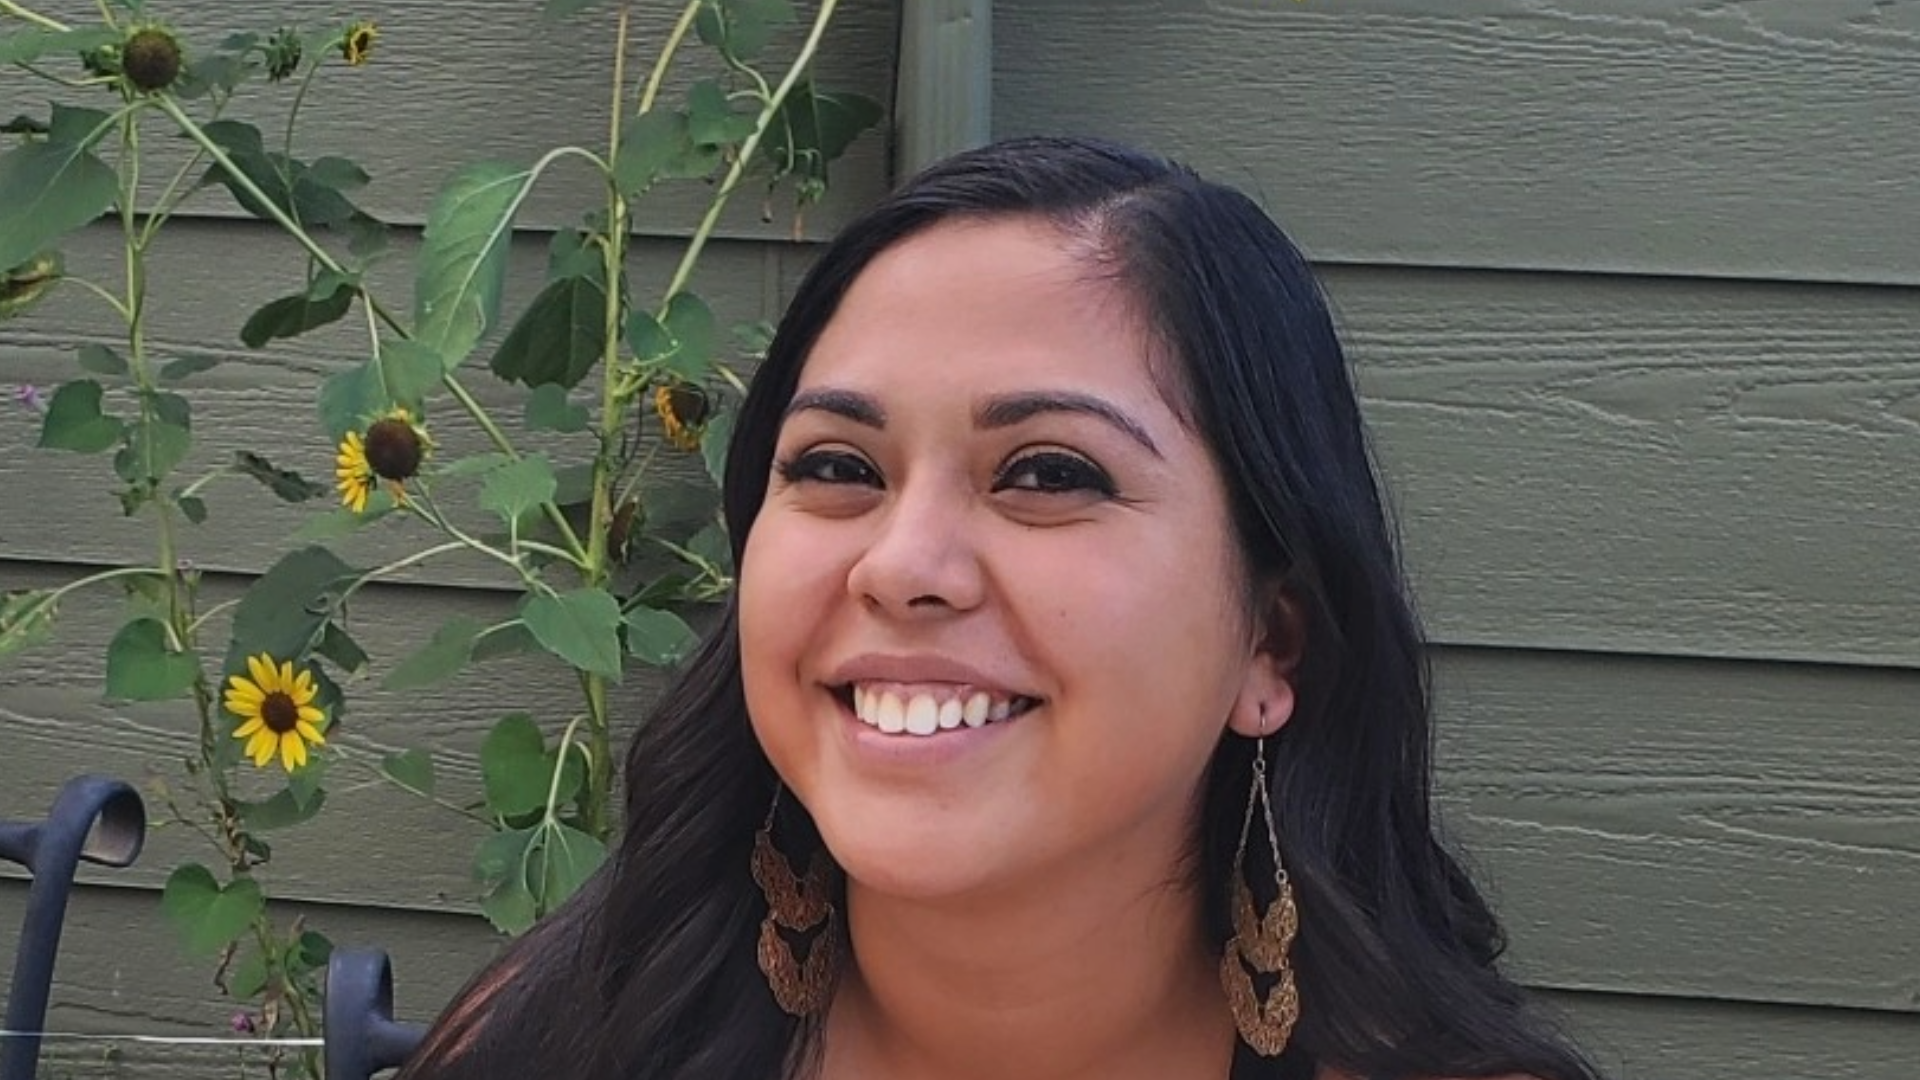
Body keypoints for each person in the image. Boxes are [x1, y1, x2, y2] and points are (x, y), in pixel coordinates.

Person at [397, 136, 1607, 1080]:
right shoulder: (549, 1044)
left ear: (1271, 637)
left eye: (1048, 475)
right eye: (836, 467)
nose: (903, 562)